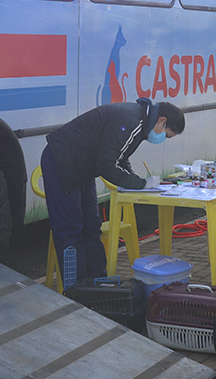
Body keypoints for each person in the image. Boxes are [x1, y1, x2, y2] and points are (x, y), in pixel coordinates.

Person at [41, 99, 184, 282]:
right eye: (167, 134)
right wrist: (141, 184)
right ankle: (75, 289)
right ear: (162, 120)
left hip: (82, 167)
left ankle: (98, 283)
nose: (163, 138)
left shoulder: (141, 121)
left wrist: (136, 180)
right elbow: (106, 165)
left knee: (92, 226)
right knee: (70, 230)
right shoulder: (132, 120)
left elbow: (119, 157)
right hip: (61, 162)